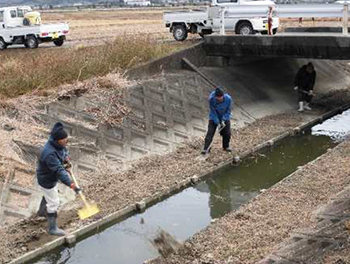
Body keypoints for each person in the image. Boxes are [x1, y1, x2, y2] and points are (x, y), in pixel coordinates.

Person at [36, 122, 80, 236]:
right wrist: (71, 184)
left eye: (67, 139)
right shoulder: (49, 153)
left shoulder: (58, 144)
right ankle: (52, 228)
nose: (66, 142)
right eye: (64, 140)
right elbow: (59, 171)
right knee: (54, 202)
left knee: (49, 194)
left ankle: (41, 212)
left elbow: (64, 151)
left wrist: (66, 159)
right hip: (46, 179)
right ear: (57, 140)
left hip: (50, 177)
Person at [201, 87, 233, 155]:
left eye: (221, 97)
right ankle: (206, 148)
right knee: (210, 132)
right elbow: (213, 111)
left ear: (223, 95)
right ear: (215, 96)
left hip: (224, 117)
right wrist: (217, 121)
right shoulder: (211, 99)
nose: (219, 98)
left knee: (227, 133)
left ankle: (226, 146)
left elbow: (228, 110)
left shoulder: (228, 99)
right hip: (214, 117)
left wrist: (224, 119)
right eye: (218, 97)